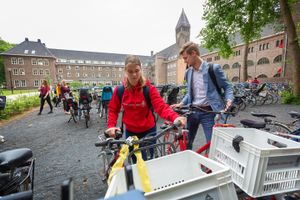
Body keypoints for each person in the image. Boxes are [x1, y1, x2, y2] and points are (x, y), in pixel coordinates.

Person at [106, 55, 186, 160]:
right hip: (130, 132)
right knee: (134, 158)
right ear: (125, 71)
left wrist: (175, 117)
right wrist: (111, 126)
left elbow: (161, 107)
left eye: (137, 70)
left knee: (148, 159)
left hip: (149, 131)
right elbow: (113, 110)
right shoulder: (120, 90)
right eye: (130, 71)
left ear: (141, 70)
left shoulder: (149, 89)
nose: (134, 74)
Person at [171, 42, 233, 150]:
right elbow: (190, 93)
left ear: (194, 53)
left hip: (209, 113)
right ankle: (188, 163)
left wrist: (229, 100)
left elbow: (227, 86)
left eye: (186, 58)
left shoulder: (213, 69)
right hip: (192, 112)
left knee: (212, 145)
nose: (185, 61)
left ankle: (210, 166)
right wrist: (181, 103)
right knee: (186, 143)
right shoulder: (188, 72)